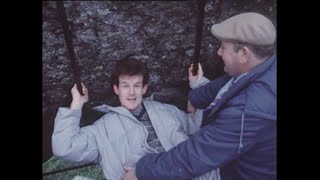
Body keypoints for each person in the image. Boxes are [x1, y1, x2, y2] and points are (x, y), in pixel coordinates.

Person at [122, 12, 276, 180]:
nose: (218, 52)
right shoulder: (265, 65)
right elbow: (233, 79)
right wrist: (197, 97)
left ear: (244, 54)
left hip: (237, 173)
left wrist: (142, 171)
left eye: (223, 47)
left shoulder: (248, 111)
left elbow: (197, 155)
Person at [51, 58, 220, 180]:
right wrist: (75, 106)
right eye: (125, 85)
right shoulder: (102, 129)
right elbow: (64, 148)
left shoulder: (168, 111)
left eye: (137, 85)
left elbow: (200, 127)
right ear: (116, 89)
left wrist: (200, 86)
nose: (131, 92)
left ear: (144, 88)